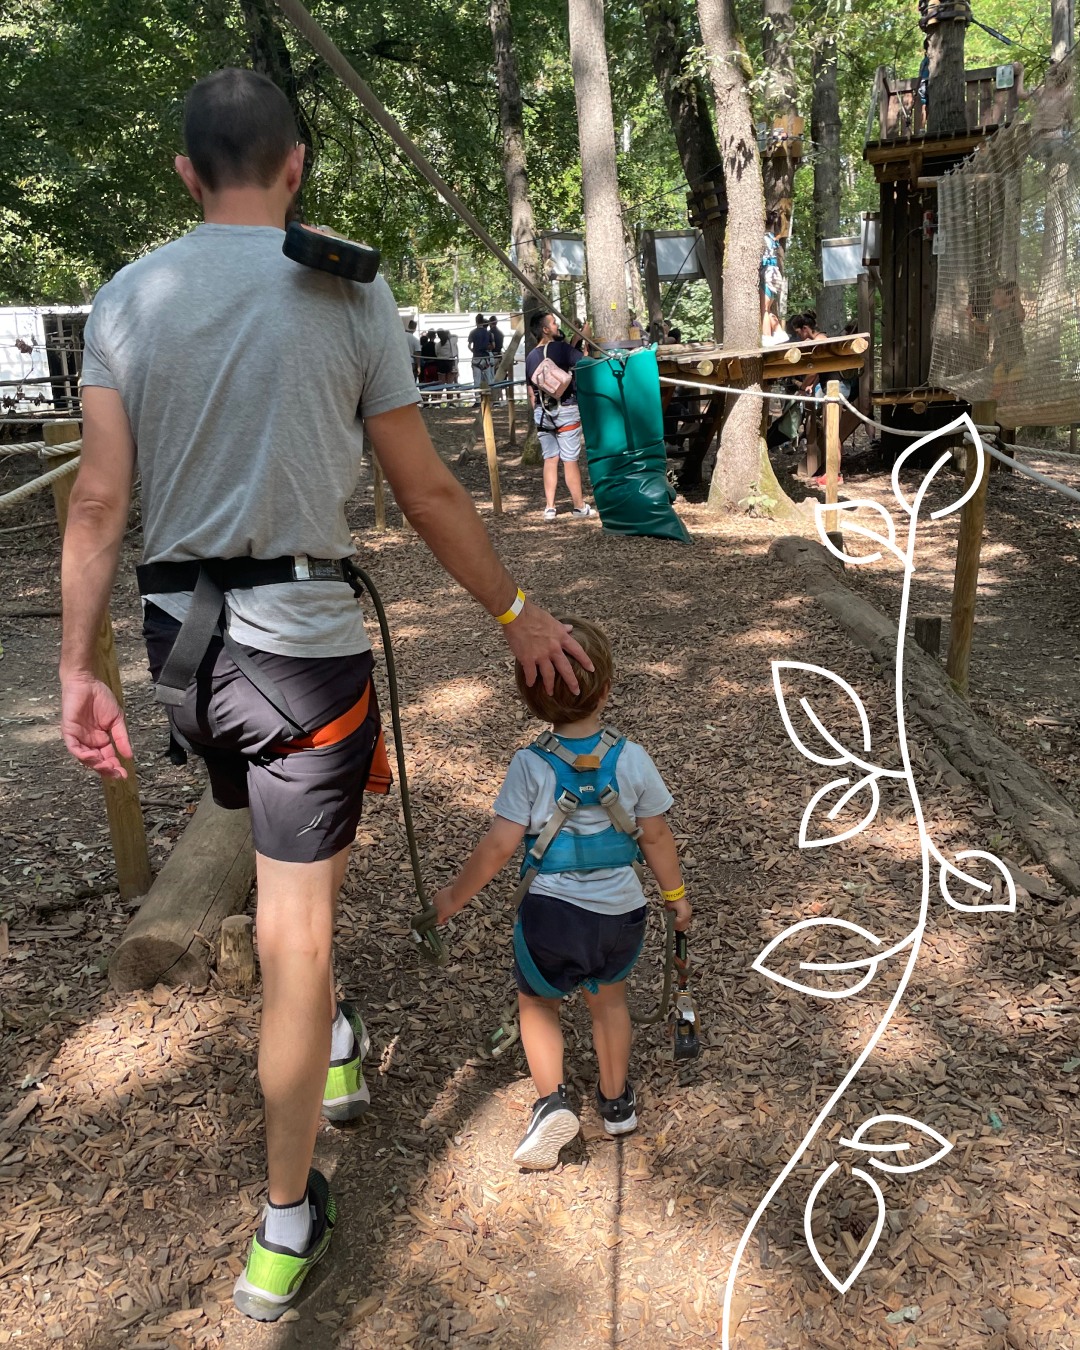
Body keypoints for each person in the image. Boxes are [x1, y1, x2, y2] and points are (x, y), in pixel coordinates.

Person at [58, 68, 591, 1324]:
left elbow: (96, 502)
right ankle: (286, 1221)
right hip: (303, 659)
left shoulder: (130, 298)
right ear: (296, 165)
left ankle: (334, 1040)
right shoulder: (349, 291)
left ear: (185, 174)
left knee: (290, 887)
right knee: (296, 932)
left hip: (186, 661)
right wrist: (519, 615)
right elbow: (428, 495)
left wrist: (78, 670)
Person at [432, 617, 691, 1169]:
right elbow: (657, 834)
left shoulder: (530, 765)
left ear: (530, 697)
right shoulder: (634, 758)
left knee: (539, 1003)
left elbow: (501, 845)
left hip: (551, 912)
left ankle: (551, 1104)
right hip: (624, 912)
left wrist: (453, 898)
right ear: (608, 688)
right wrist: (677, 897)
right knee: (610, 1002)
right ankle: (617, 1103)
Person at [525, 311, 595, 522]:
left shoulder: (530, 357)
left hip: (542, 413)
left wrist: (539, 412)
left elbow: (531, 391)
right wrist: (585, 341)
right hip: (565, 409)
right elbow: (585, 363)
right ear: (545, 329)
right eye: (554, 323)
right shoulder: (562, 349)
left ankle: (550, 507)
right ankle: (578, 506)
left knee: (550, 459)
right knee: (570, 460)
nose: (557, 326)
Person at [467, 311, 494, 405]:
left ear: (476, 321)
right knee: (489, 379)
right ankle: (489, 399)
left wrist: (473, 351)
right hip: (486, 358)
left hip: (476, 358)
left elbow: (469, 346)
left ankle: (478, 400)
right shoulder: (489, 333)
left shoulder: (472, 332)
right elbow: (493, 346)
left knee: (476, 380)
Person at [405, 318, 421, 383]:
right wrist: (418, 366)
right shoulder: (415, 340)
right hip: (411, 362)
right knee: (411, 382)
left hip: (401, 361)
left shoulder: (401, 336)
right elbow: (417, 354)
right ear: (415, 328)